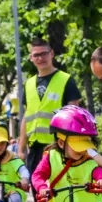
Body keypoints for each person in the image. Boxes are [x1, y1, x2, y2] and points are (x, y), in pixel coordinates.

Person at [18, 38, 83, 180]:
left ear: (51, 54)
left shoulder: (66, 80)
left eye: (44, 53)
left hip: (57, 147)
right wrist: (21, 150)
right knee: (38, 193)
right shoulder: (28, 84)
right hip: (34, 149)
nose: (40, 58)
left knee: (57, 192)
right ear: (31, 58)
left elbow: (74, 115)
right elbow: (26, 118)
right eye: (36, 55)